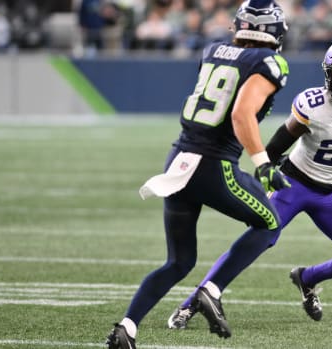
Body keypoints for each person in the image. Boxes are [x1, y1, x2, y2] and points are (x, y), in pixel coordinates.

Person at [168, 38, 332, 330]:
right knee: (257, 240)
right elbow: (274, 147)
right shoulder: (314, 106)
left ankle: (307, 278)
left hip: (331, 191)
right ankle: (191, 304)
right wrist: (265, 173)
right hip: (292, 185)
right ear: (327, 73)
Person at [105, 0, 290, 348]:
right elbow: (241, 115)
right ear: (274, 31)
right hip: (213, 166)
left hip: (178, 160)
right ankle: (210, 290)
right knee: (270, 224)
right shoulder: (270, 62)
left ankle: (126, 328)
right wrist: (263, 163)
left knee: (178, 261)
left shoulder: (213, 49)